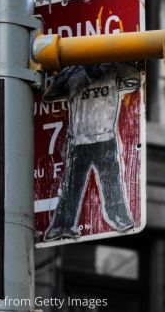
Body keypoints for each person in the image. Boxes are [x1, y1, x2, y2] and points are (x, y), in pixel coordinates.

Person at [43, 62, 139, 240]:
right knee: (72, 186)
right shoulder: (74, 76)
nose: (93, 68)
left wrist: (114, 62)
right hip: (80, 141)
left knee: (112, 184)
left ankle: (119, 218)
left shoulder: (111, 72)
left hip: (105, 139)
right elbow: (49, 95)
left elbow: (135, 76)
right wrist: (67, 71)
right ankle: (63, 225)